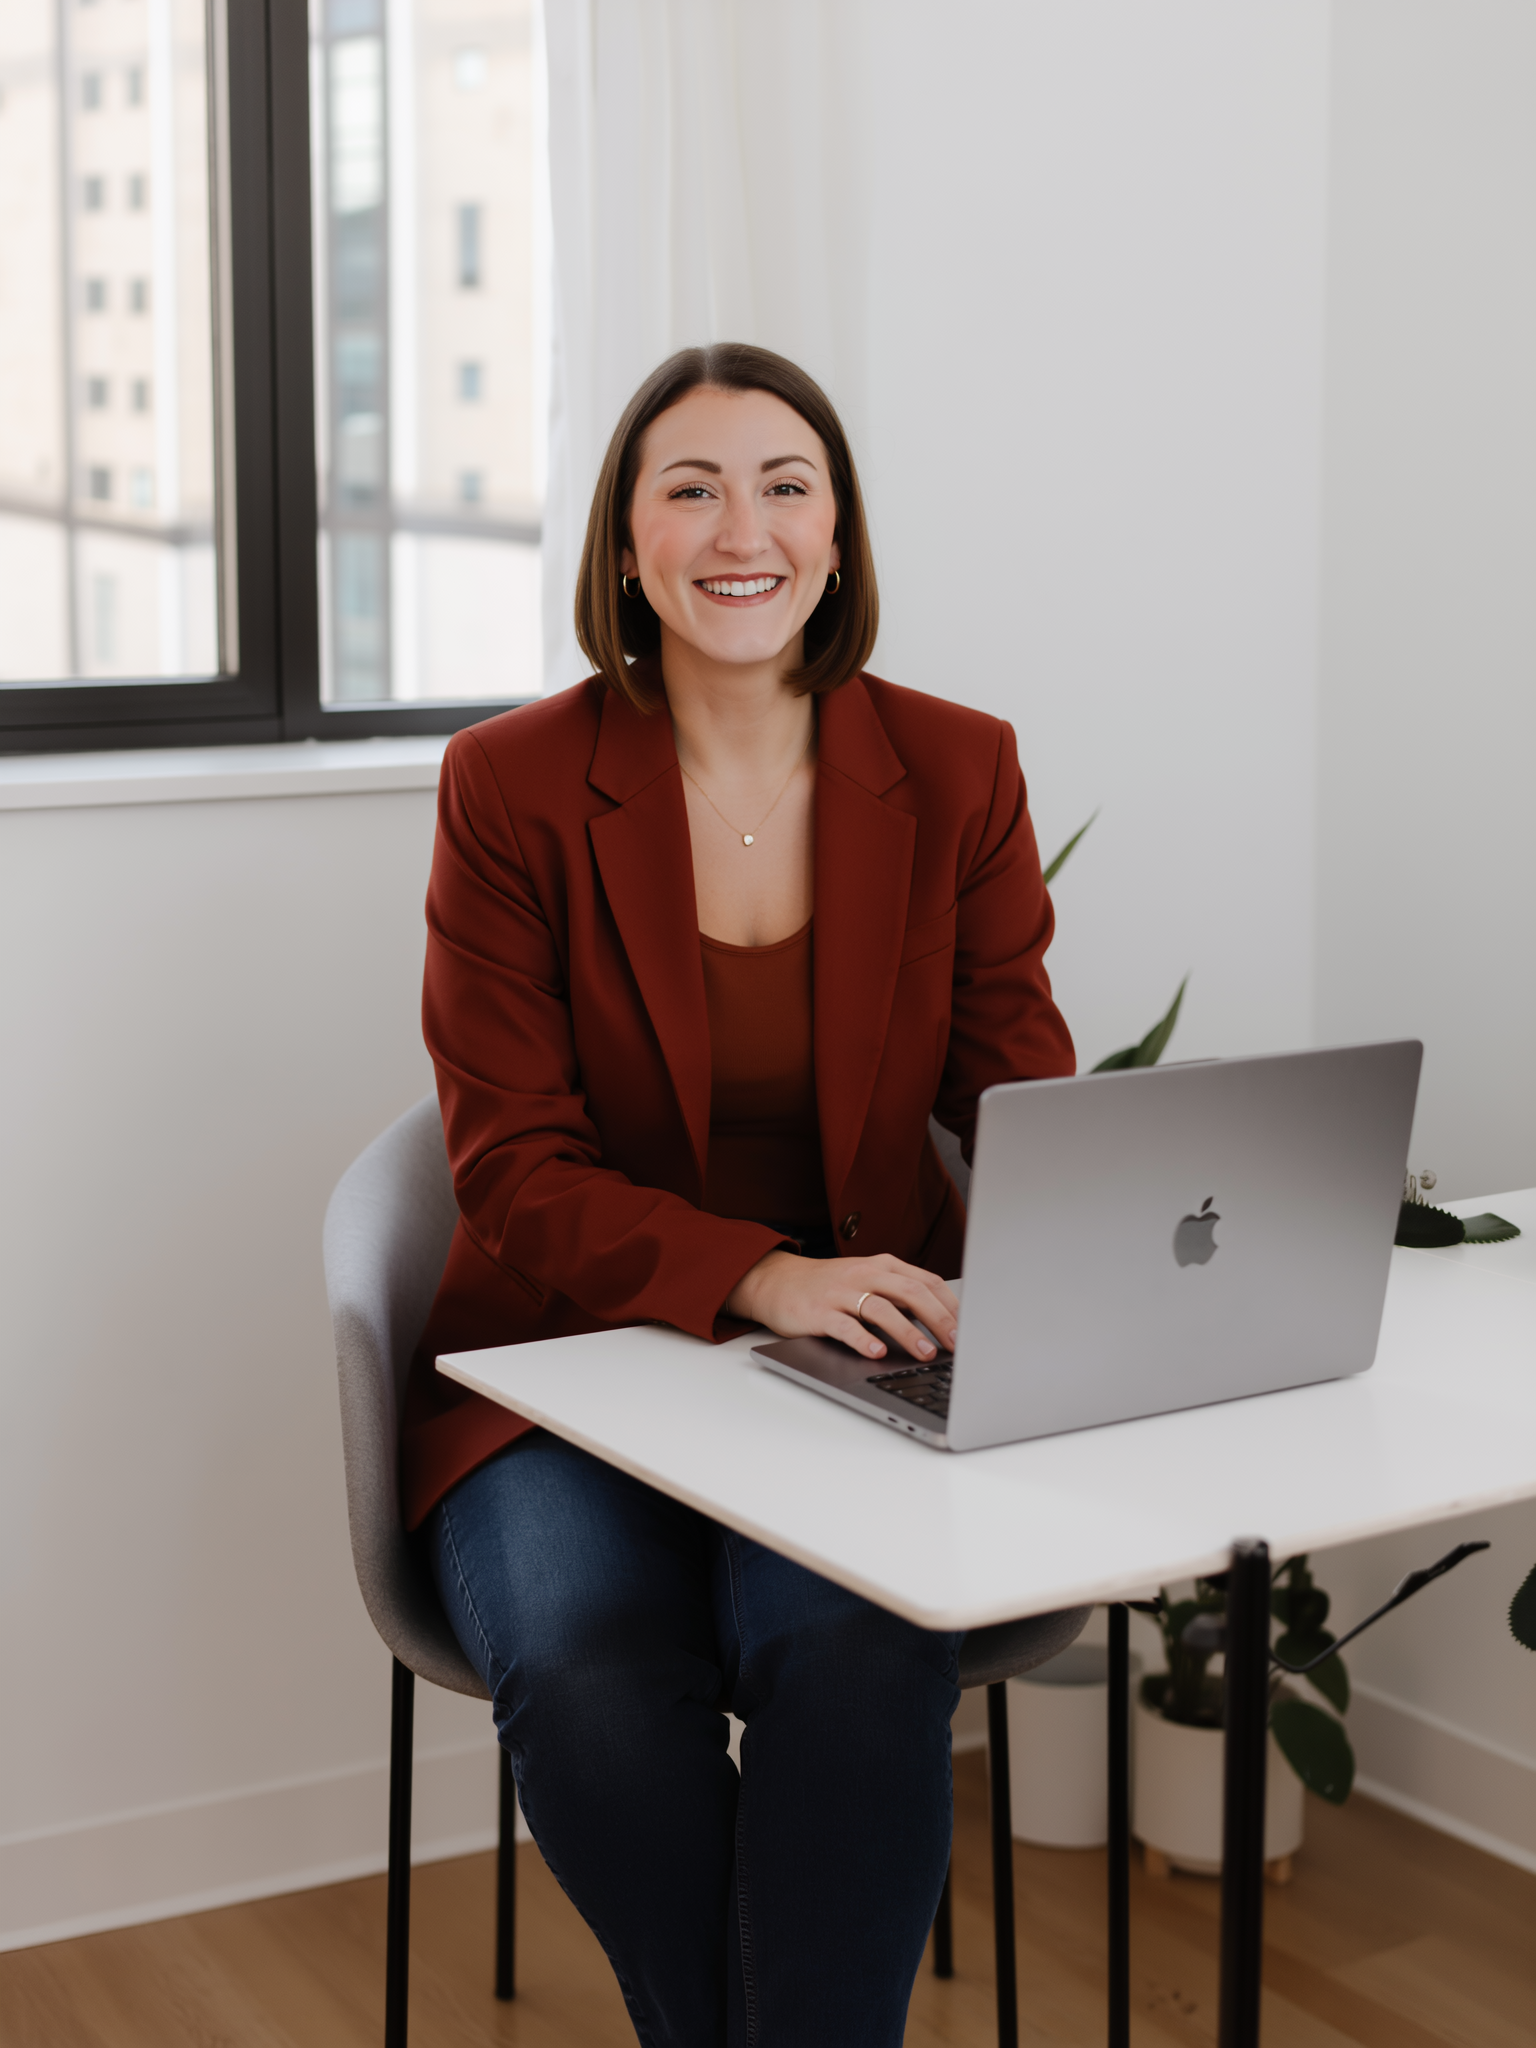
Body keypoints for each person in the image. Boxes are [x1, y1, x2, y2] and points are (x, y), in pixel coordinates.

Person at [401, 342, 1074, 2046]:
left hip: (858, 1371)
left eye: (784, 484)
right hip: (567, 1361)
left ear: (837, 536)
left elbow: (1017, 1097)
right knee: (592, 1674)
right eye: (686, 487)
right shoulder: (512, 788)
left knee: (859, 1663)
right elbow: (507, 1170)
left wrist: (1087, 1270)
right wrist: (759, 1274)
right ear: (626, 544)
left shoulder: (958, 766)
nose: (738, 528)